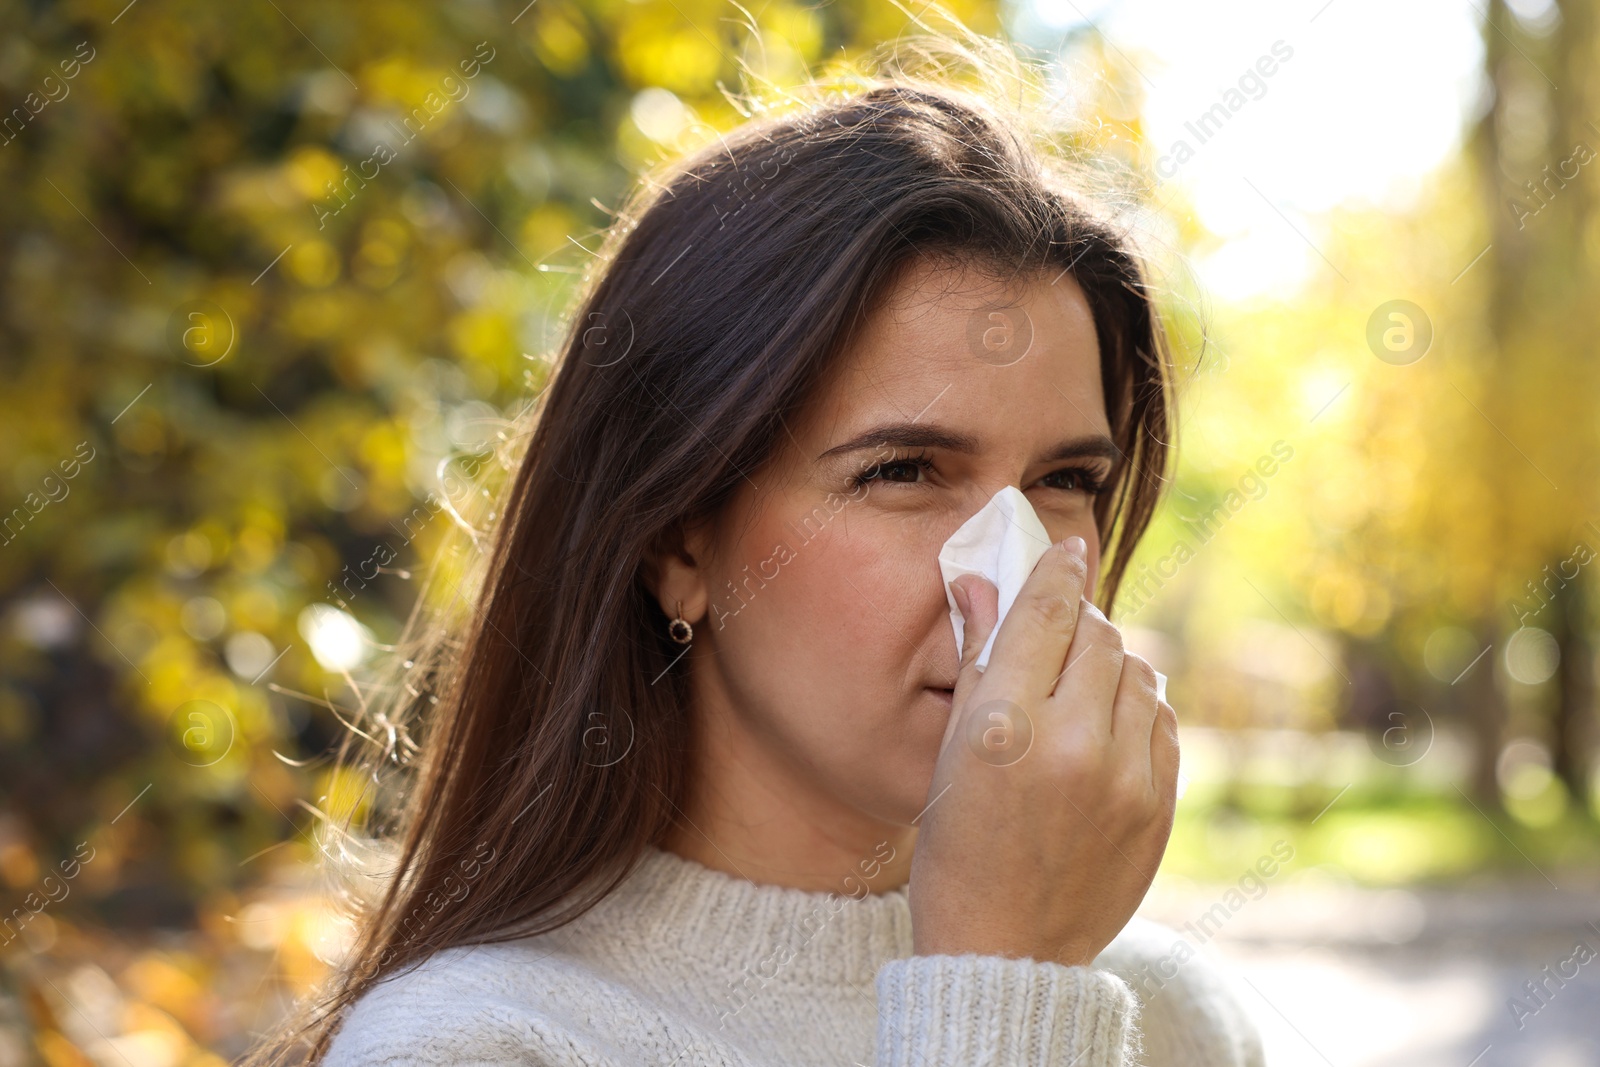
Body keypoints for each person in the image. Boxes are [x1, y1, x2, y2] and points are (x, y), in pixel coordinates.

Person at [246, 32, 1265, 1067]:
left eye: (1065, 482)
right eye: (903, 470)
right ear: (676, 539)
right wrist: (999, 991)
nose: (1011, 571)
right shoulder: (479, 1043)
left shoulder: (1165, 1018)